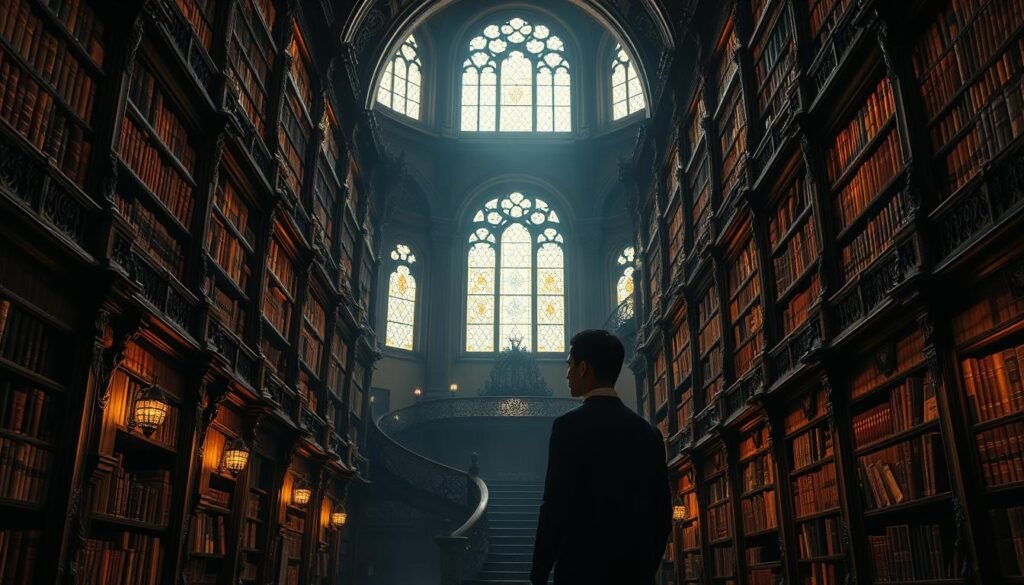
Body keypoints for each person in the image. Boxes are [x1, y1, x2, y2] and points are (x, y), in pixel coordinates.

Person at [530, 329, 672, 585]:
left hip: (579, 572)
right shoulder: (649, 433)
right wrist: (644, 567)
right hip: (634, 574)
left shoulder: (568, 427)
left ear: (584, 367)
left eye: (570, 365)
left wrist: (539, 573)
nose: (567, 374)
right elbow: (662, 514)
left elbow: (555, 506)